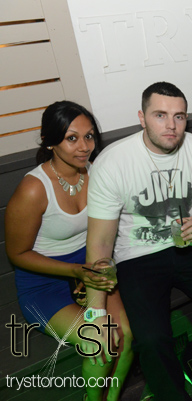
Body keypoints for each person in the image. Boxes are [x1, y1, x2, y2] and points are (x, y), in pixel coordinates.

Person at [85, 82, 192, 401]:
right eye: (160, 115)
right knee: (150, 340)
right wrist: (96, 316)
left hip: (190, 244)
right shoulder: (114, 161)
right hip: (137, 256)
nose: (171, 125)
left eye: (179, 116)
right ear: (141, 118)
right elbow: (100, 244)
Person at [5, 101, 133, 401]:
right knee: (99, 342)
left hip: (91, 270)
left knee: (125, 336)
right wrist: (75, 270)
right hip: (45, 283)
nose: (84, 146)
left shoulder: (96, 172)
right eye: (72, 138)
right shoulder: (34, 189)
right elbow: (17, 254)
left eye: (89, 136)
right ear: (50, 142)